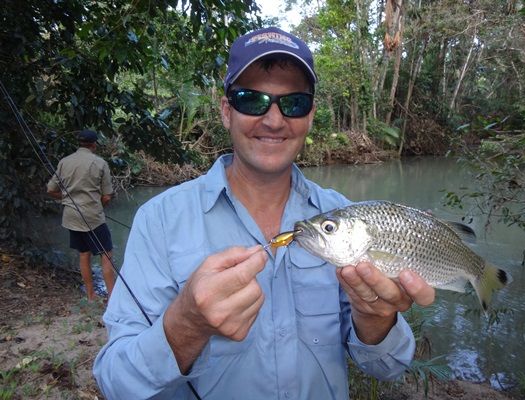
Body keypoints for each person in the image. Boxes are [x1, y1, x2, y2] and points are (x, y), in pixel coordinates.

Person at [93, 27, 435, 399]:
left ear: (310, 116)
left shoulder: (345, 216)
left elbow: (387, 366)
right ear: (226, 111)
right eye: (251, 100)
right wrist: (186, 324)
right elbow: (115, 382)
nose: (274, 120)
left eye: (294, 103)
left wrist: (376, 317)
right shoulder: (160, 219)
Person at [47, 129, 116, 302]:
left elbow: (51, 189)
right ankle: (113, 297)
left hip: (72, 217)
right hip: (93, 217)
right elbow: (107, 196)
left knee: (84, 255)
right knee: (106, 255)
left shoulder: (64, 162)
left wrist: (67, 200)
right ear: (94, 145)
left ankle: (91, 296)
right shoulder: (100, 163)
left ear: (79, 143)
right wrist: (98, 205)